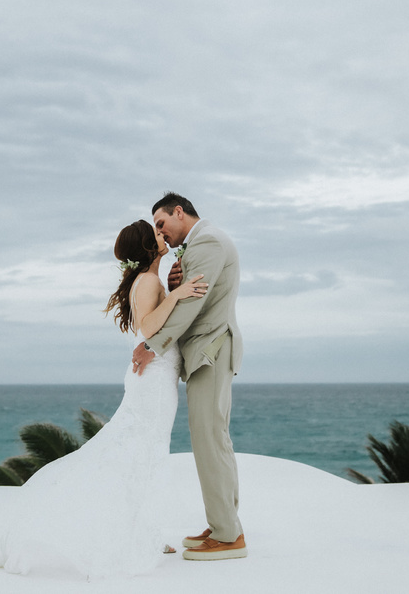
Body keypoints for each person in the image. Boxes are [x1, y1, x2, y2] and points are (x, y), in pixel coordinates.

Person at [0, 219, 207, 578]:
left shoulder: (150, 280)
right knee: (145, 455)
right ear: (147, 247)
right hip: (152, 385)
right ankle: (139, 533)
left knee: (146, 455)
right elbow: (147, 329)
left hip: (156, 382)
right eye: (157, 233)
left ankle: (146, 530)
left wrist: (173, 288)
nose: (163, 235)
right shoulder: (147, 281)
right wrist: (176, 294)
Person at [132, 192, 246, 561]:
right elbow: (189, 295)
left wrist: (152, 345)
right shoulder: (200, 244)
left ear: (179, 211)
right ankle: (223, 526)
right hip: (207, 352)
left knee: (210, 439)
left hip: (210, 351)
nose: (161, 234)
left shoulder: (209, 241)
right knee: (214, 438)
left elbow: (192, 303)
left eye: (162, 223)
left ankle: (228, 536)